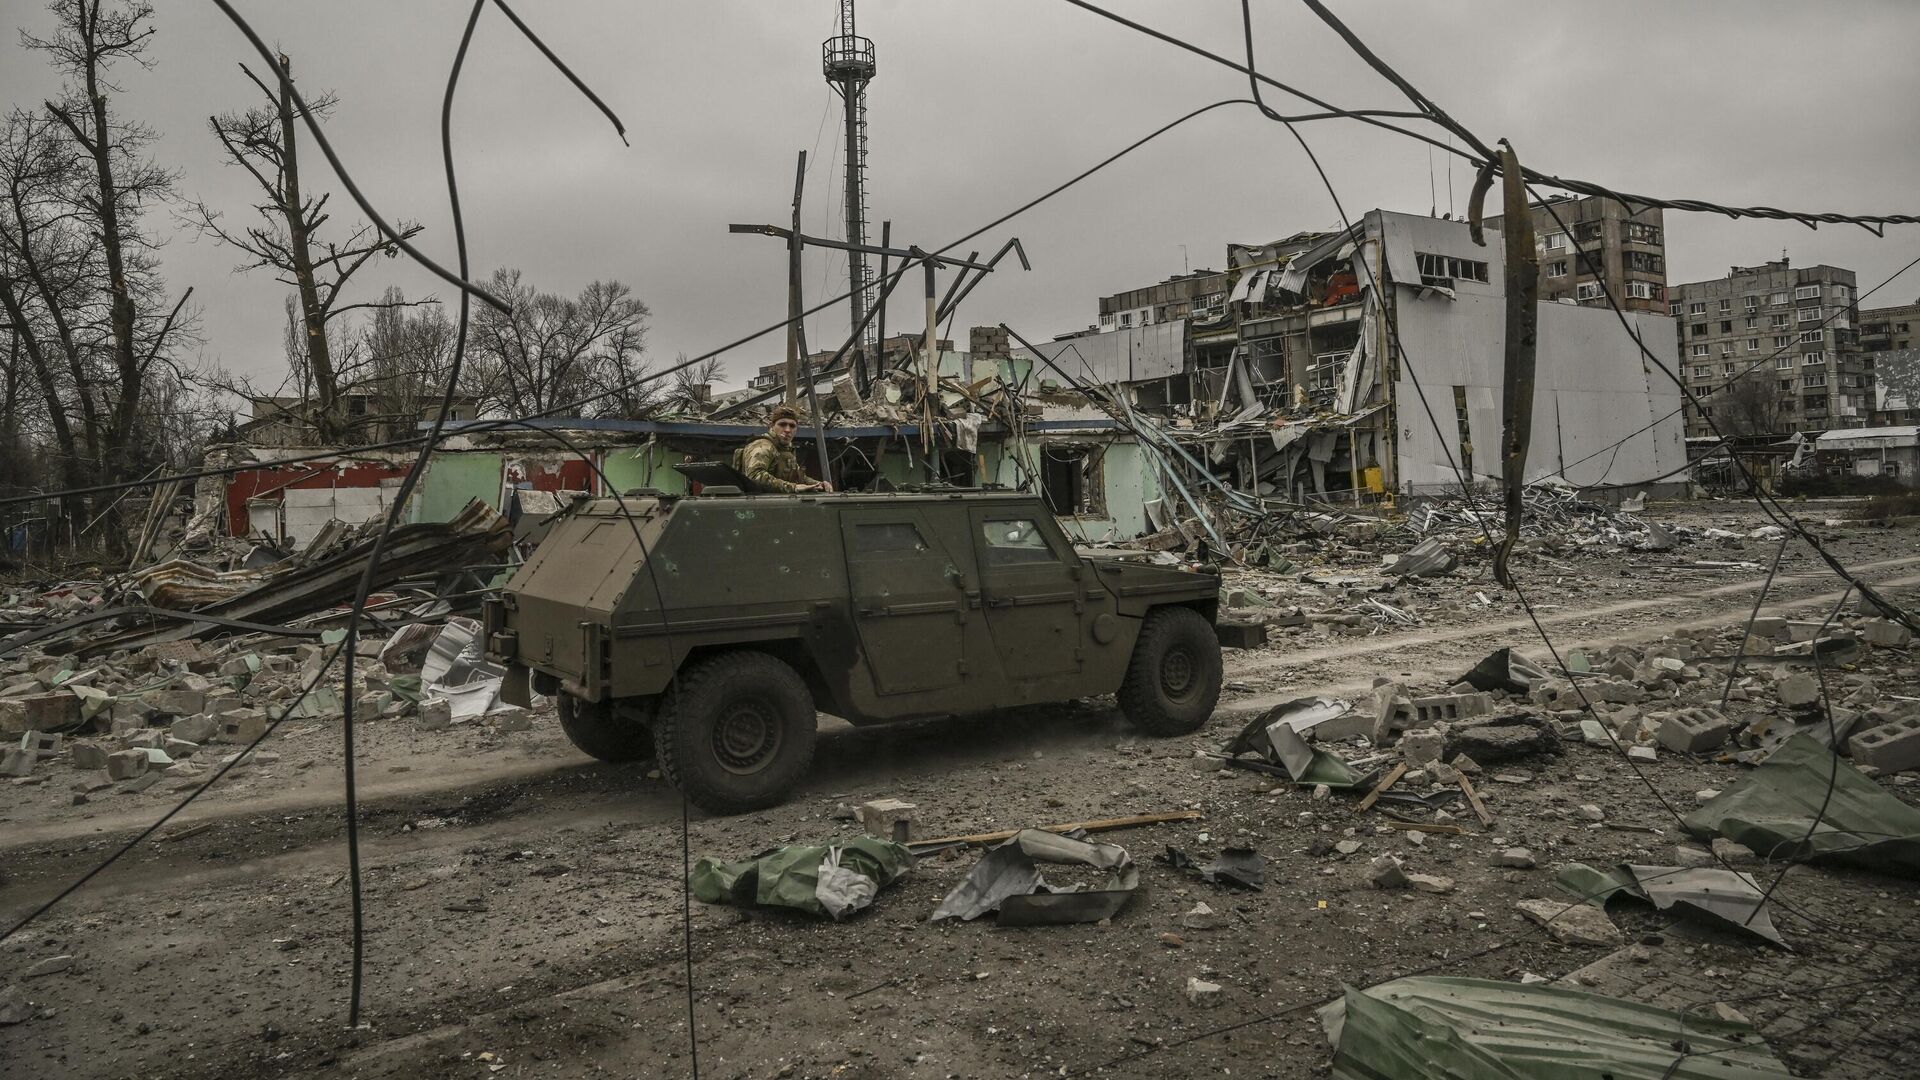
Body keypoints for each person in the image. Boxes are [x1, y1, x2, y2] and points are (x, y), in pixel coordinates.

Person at [736, 404, 834, 493]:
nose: (787, 430)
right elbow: (755, 476)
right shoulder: (763, 446)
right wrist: (793, 487)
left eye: (792, 426)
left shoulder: (785, 449)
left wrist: (818, 484)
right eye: (782, 424)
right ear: (772, 426)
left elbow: (799, 477)